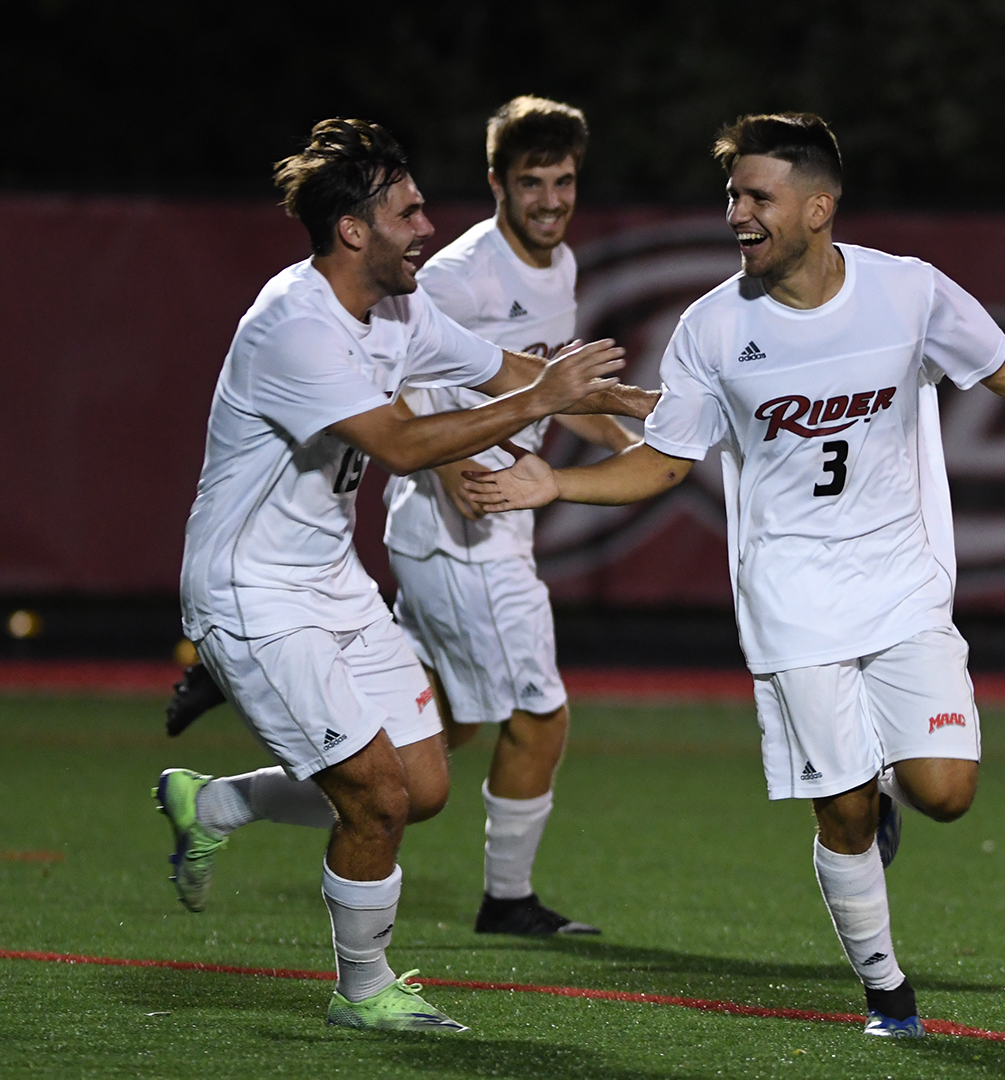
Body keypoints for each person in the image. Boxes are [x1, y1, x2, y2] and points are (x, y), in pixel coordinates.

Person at [459, 113, 1005, 1037]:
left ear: (818, 207)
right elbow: (664, 461)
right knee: (843, 812)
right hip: (791, 603)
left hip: (902, 583)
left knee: (944, 793)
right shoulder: (711, 327)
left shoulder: (906, 292)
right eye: (732, 195)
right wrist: (555, 481)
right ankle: (886, 989)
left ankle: (893, 789)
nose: (738, 213)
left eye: (758, 197)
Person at [158, 117, 652, 1032]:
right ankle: (364, 990)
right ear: (354, 229)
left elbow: (498, 365)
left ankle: (215, 801)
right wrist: (539, 398)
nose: (428, 224)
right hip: (251, 594)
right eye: (409, 210)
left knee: (421, 788)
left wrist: (618, 401)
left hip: (331, 579)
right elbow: (399, 441)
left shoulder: (398, 305)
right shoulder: (294, 326)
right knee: (379, 796)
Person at [381, 96, 635, 938]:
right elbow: (383, 367)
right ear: (496, 182)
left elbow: (546, 395)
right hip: (463, 525)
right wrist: (448, 460)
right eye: (531, 183)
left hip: (493, 519)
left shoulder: (557, 268)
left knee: (431, 735)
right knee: (538, 713)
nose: (552, 200)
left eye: (563, 181)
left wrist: (646, 438)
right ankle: (508, 901)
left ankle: (223, 802)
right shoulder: (458, 274)